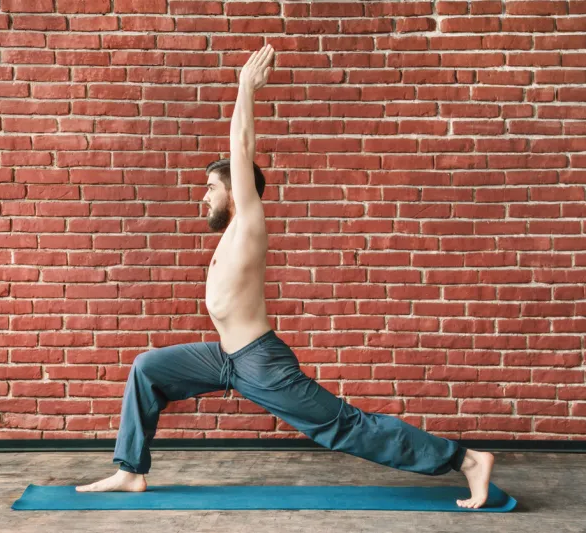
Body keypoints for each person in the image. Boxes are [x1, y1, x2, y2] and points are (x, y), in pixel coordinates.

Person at [76, 44, 495, 509]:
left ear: (237, 189)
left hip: (260, 362)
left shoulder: (249, 221)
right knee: (147, 368)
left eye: (211, 187)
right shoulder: (231, 231)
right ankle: (130, 471)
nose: (203, 197)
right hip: (225, 358)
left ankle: (467, 461)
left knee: (345, 427)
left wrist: (244, 87)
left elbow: (241, 146)